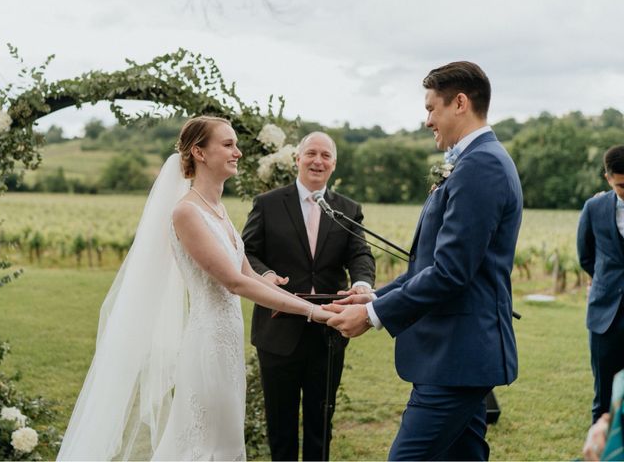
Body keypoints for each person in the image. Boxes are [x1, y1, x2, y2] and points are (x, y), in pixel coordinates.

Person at [57, 116, 333, 461]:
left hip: (228, 344)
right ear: (199, 152)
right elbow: (233, 282)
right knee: (204, 446)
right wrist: (312, 311)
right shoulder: (186, 213)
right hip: (208, 347)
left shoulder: (217, 209)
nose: (239, 152)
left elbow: (248, 273)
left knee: (224, 442)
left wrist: (272, 283)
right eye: (228, 144)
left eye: (236, 144)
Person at [324, 61, 523, 460]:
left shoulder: (481, 165)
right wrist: (374, 297)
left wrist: (373, 316)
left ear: (460, 103)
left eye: (432, 108)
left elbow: (451, 273)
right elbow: (430, 262)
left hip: (457, 358)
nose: (427, 119)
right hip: (456, 358)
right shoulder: (473, 161)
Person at [241, 131, 375, 461]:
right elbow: (246, 252)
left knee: (321, 424)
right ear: (297, 159)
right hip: (277, 330)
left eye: (326, 155)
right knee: (280, 425)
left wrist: (361, 283)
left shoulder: (347, 209)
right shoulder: (268, 203)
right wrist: (265, 275)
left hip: (328, 332)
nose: (318, 160)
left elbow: (360, 255)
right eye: (311, 153)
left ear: (334, 165)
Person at [577, 145, 624, 424]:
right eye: (620, 185)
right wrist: (604, 282)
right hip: (605, 316)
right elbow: (585, 255)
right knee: (603, 396)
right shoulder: (593, 208)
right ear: (607, 178)